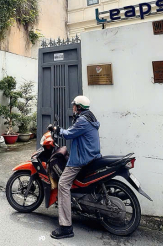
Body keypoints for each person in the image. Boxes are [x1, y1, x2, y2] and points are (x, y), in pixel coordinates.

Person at [49, 95, 101, 240]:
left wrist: (56, 129)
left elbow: (69, 134)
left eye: (74, 105)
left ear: (79, 107)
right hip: (91, 155)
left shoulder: (83, 120)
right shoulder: (90, 117)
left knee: (63, 184)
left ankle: (66, 227)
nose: (72, 108)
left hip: (82, 158)